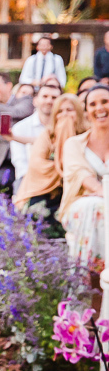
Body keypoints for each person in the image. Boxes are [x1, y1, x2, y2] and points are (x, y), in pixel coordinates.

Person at [14, 94, 86, 235]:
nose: (65, 115)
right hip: (46, 189)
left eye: (69, 110)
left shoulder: (86, 133)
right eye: (60, 111)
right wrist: (62, 168)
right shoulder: (47, 135)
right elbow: (37, 164)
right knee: (37, 213)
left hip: (78, 190)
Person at [60, 86, 109, 273]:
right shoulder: (74, 144)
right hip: (80, 208)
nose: (100, 108)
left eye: (105, 101)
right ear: (87, 111)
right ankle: (86, 281)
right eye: (93, 104)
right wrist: (104, 194)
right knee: (95, 207)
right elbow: (83, 176)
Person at [9, 82, 62, 192]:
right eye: (45, 96)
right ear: (35, 101)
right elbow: (20, 162)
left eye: (54, 97)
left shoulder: (65, 127)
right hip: (28, 178)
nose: (49, 101)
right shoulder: (20, 128)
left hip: (59, 179)